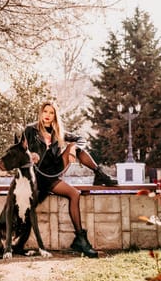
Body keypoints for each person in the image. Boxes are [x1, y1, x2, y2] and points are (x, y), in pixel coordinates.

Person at [24, 101, 117, 258]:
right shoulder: (30, 130)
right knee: (74, 193)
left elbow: (80, 138)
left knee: (77, 148)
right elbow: (20, 150)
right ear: (40, 113)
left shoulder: (57, 131)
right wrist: (30, 156)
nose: (47, 115)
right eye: (45, 111)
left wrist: (72, 147)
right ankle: (80, 239)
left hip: (54, 170)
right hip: (40, 176)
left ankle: (99, 174)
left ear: (55, 116)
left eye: (51, 112)